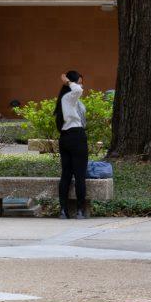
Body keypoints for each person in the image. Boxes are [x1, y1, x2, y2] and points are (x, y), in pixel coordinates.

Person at [55, 70, 88, 220]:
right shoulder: (70, 96)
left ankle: (63, 210)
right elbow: (77, 89)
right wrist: (68, 81)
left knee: (66, 174)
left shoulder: (65, 99)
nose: (81, 86)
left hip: (65, 138)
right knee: (79, 175)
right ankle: (80, 210)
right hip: (76, 136)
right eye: (79, 82)